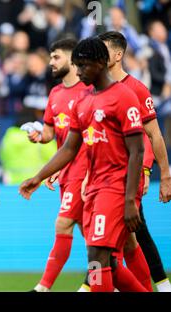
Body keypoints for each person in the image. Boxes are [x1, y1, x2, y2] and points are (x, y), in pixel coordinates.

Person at [20, 38, 148, 292]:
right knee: (107, 260)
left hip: (117, 187)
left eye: (83, 66)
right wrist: (38, 177)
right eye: (76, 65)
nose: (78, 71)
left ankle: (43, 287)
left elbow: (137, 150)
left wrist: (130, 199)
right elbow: (69, 147)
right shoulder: (83, 101)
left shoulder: (124, 97)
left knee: (98, 257)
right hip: (94, 188)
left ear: (101, 63)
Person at [99, 31, 171, 292]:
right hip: (102, 176)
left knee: (113, 237)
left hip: (130, 175)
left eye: (103, 50)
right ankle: (158, 285)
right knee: (133, 235)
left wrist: (160, 174)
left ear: (118, 55)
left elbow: (153, 134)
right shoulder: (94, 89)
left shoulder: (137, 90)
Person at [26, 38, 92, 292]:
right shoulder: (55, 94)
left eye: (56, 57)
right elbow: (50, 133)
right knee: (92, 235)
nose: (51, 62)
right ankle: (102, 282)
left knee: (63, 223)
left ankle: (43, 288)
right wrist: (38, 136)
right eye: (51, 58)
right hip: (66, 173)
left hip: (84, 171)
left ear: (72, 59)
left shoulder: (88, 91)